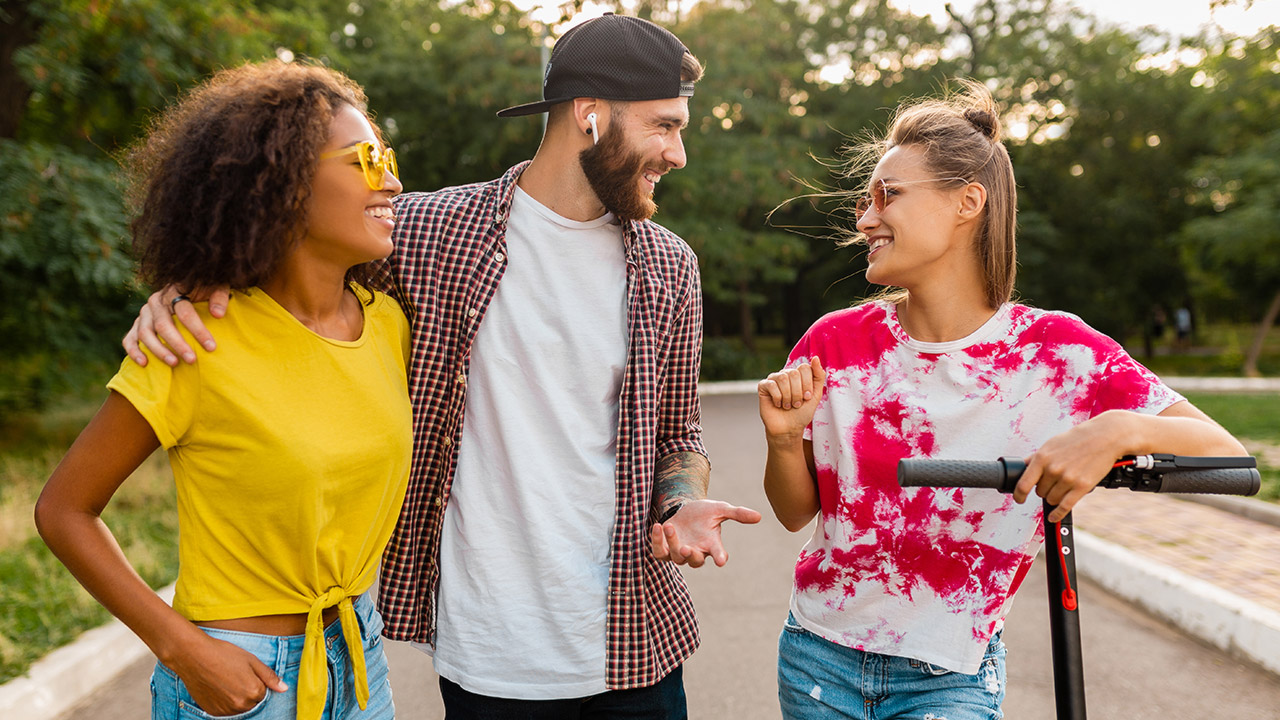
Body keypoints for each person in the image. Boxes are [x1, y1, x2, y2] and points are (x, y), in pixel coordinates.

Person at [122, 13, 761, 718]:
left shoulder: (669, 267)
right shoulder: (424, 234)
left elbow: (679, 433)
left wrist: (680, 501)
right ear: (590, 115)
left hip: (634, 641)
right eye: (664, 126)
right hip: (491, 650)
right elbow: (283, 262)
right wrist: (184, 289)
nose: (677, 153)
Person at [756, 79, 1247, 719]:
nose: (866, 217)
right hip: (817, 658)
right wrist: (781, 438)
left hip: (951, 676)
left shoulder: (1057, 354)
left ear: (967, 203)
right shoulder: (836, 342)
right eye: (867, 200)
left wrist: (1118, 431)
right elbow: (797, 514)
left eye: (889, 196)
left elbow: (1228, 458)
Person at [36, 61, 409, 720]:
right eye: (366, 157)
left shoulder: (389, 324)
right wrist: (183, 650)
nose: (393, 179)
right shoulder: (195, 340)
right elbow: (65, 510)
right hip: (236, 679)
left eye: (390, 155)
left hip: (359, 660)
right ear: (284, 181)